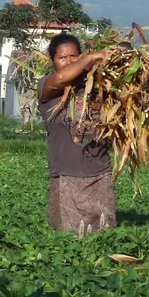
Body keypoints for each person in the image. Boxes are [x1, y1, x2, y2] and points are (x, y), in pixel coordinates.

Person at [37, 33, 129, 234]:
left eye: (74, 56)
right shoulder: (47, 87)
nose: (69, 61)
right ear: (52, 61)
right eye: (62, 58)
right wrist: (89, 58)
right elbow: (62, 77)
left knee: (103, 241)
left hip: (100, 177)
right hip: (66, 178)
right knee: (69, 241)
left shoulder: (97, 86)